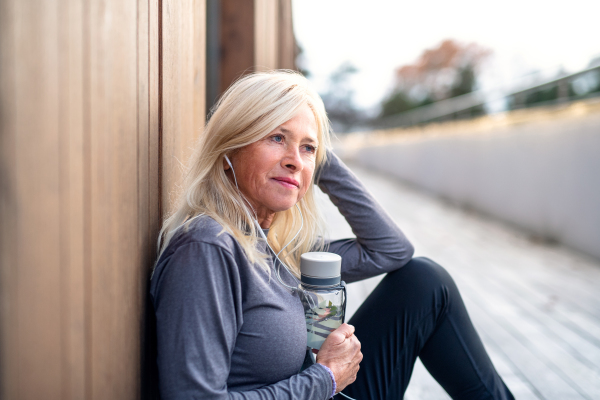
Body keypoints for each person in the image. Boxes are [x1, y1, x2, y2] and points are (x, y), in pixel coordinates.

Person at [149, 70, 514, 400]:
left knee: (424, 280)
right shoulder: (208, 248)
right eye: (276, 137)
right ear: (230, 146)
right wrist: (326, 378)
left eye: (308, 147)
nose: (295, 159)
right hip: (322, 390)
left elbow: (391, 250)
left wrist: (313, 160)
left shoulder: (271, 245)